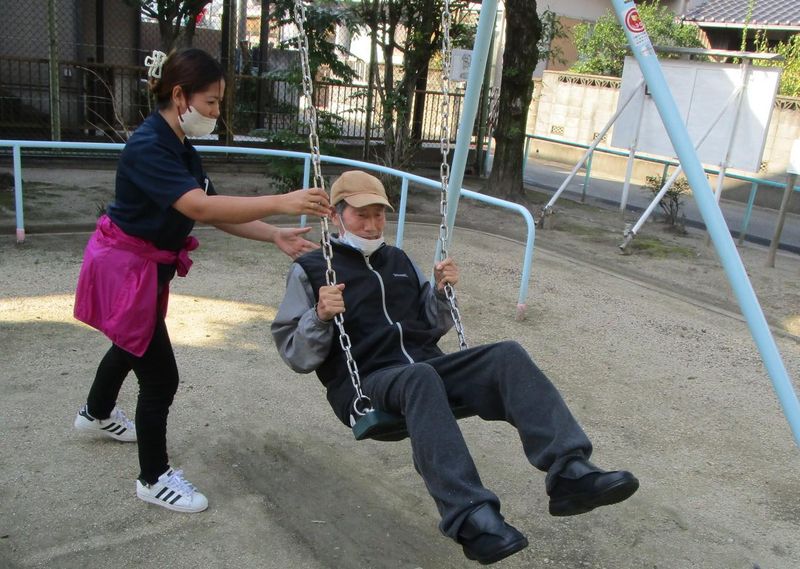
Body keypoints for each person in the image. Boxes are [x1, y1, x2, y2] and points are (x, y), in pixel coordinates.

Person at [271, 170, 639, 565]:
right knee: (420, 376)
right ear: (336, 215)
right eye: (362, 215)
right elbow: (295, 354)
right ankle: (471, 518)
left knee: (506, 354)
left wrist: (441, 293)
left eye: (379, 215)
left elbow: (428, 327)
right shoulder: (313, 269)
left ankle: (570, 473)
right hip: (367, 386)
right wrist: (320, 317)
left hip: (425, 370)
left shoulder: (398, 261)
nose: (373, 225)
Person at [72, 48, 331, 514]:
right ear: (180, 96)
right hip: (126, 270)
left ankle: (96, 413)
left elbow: (213, 210)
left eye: (217, 103)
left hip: (141, 269)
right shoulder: (150, 147)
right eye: (210, 102)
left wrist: (274, 234)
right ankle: (153, 479)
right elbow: (199, 207)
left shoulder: (180, 149)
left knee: (130, 344)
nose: (215, 113)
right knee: (160, 378)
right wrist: (282, 201)